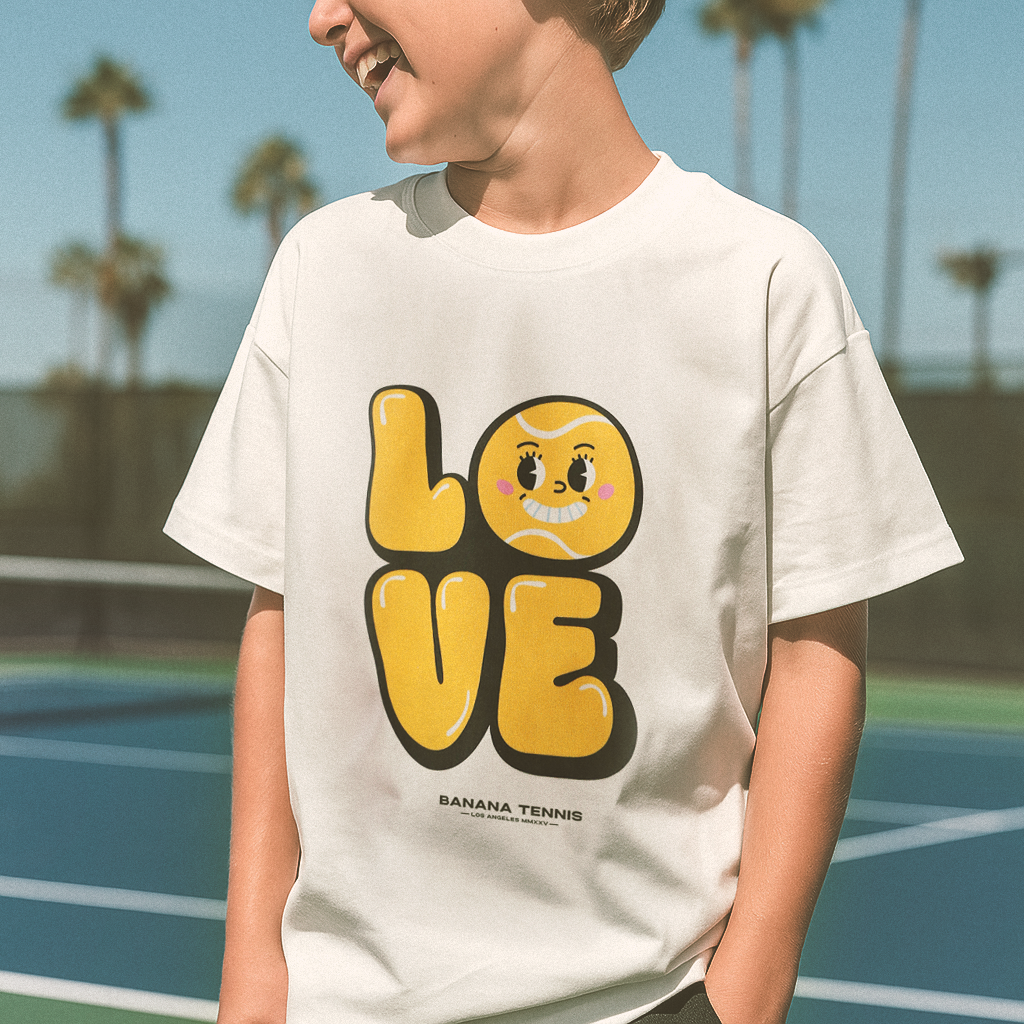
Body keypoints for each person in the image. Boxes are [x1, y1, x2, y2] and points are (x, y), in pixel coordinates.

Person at [165, 1, 962, 1022]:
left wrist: (743, 995)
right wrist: (252, 982)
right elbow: (279, 627)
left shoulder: (766, 282)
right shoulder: (323, 270)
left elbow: (816, 651)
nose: (323, 18)